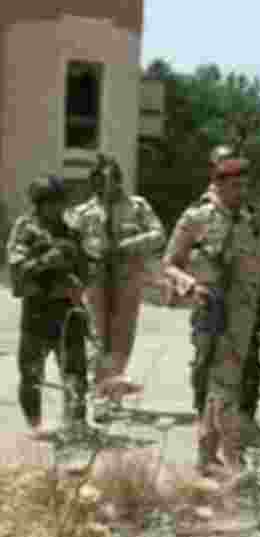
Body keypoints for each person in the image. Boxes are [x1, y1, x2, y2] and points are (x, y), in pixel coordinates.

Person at [163, 157, 260, 479]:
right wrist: (190, 285)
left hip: (244, 318)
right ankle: (234, 460)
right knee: (223, 387)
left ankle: (206, 458)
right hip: (211, 313)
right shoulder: (196, 218)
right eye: (235, 186)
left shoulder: (249, 222)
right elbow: (169, 264)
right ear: (218, 184)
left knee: (221, 389)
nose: (241, 192)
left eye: (245, 186)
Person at [66, 154, 166, 419]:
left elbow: (159, 235)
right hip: (95, 281)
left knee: (122, 338)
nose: (106, 185)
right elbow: (69, 246)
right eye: (100, 180)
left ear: (119, 180)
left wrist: (128, 244)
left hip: (127, 279)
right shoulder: (82, 213)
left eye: (111, 179)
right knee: (97, 338)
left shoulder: (137, 206)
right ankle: (99, 394)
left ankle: (114, 393)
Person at [7, 175, 97, 437]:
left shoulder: (71, 231)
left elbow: (87, 268)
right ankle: (35, 425)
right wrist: (48, 260)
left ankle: (77, 423)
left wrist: (78, 276)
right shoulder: (25, 230)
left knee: (76, 372)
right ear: (39, 204)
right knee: (31, 372)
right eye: (51, 203)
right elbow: (17, 269)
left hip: (68, 310)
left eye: (60, 202)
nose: (58, 209)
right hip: (37, 310)